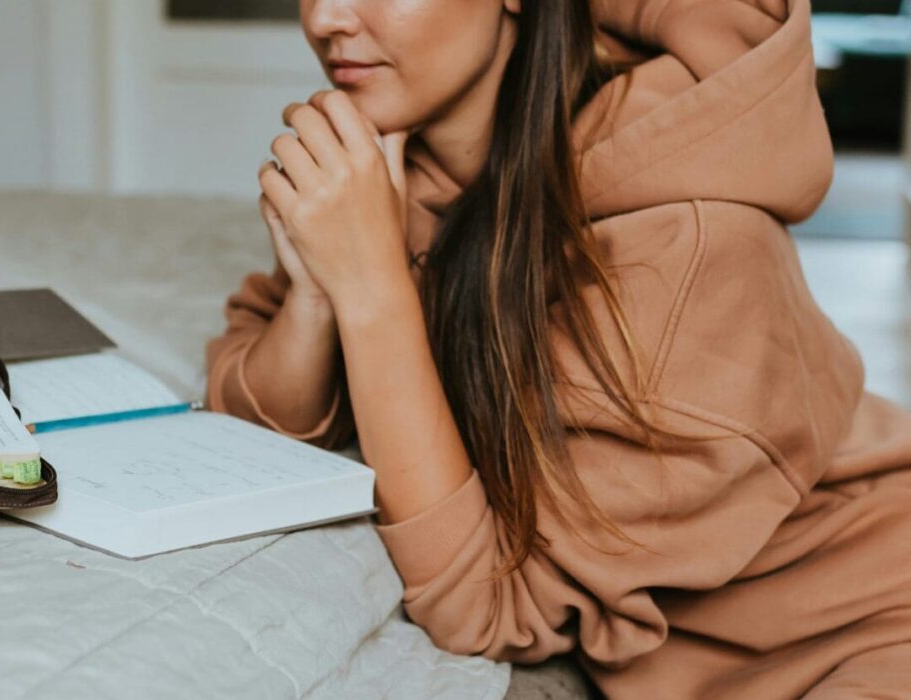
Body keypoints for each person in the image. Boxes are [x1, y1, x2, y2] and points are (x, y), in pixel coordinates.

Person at [204, 0, 911, 696]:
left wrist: (372, 289)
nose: (325, 18)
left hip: (868, 625)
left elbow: (487, 606)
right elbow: (254, 424)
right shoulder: (404, 168)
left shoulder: (691, 243)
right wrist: (322, 291)